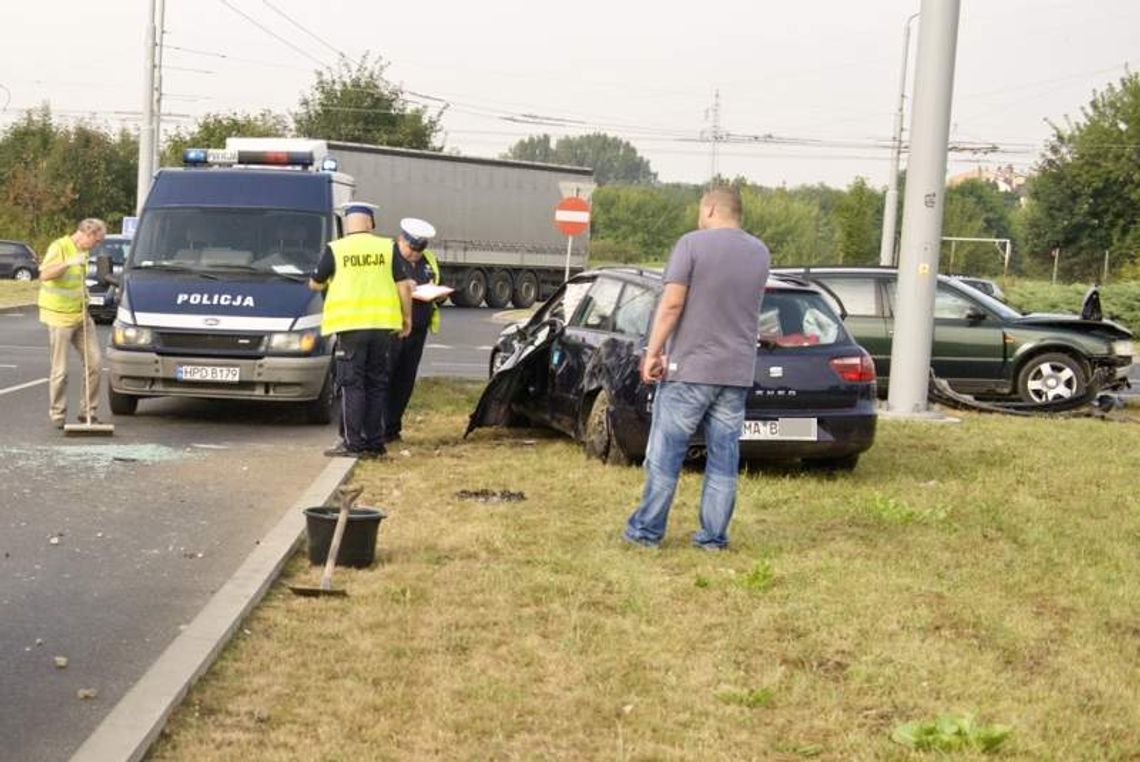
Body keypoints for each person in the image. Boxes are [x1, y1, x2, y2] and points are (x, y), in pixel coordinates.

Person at [623, 187, 770, 551]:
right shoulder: (759, 252)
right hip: (735, 372)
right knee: (723, 460)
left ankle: (646, 532)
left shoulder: (691, 244)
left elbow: (672, 304)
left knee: (665, 454)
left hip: (689, 368)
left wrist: (652, 353)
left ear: (710, 209)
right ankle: (712, 538)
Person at [309, 203, 413, 458]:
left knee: (352, 386)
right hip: (381, 326)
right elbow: (403, 286)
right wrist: (406, 317)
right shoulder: (387, 248)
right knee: (376, 384)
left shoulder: (336, 249)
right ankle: (375, 444)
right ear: (370, 223)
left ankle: (352, 444)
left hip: (350, 328)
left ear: (347, 225)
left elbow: (315, 283)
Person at [38, 218, 108, 429]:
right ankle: (57, 413)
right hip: (59, 317)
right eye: (96, 241)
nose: (96, 245)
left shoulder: (84, 253)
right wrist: (67, 263)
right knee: (60, 370)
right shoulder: (59, 247)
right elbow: (45, 275)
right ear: (87, 233)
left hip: (81, 316)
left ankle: (88, 412)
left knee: (95, 363)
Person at [386, 217, 445, 443]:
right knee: (385, 379)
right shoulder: (388, 257)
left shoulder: (428, 260)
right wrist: (400, 287)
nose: (414, 255)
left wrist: (436, 293)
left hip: (418, 329)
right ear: (401, 239)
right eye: (411, 249)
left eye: (419, 250)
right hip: (393, 328)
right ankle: (378, 428)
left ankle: (392, 429)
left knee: (404, 381)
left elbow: (439, 281)